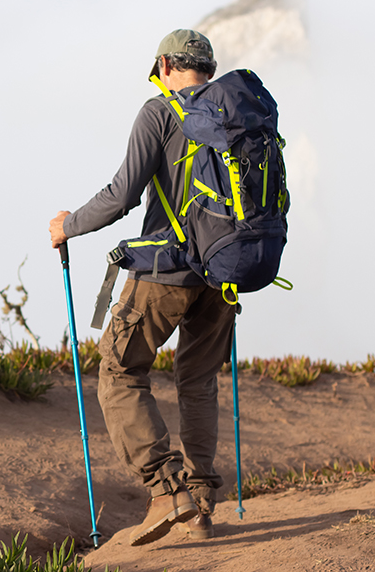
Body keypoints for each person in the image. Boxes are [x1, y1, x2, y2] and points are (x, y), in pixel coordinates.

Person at [49, 29, 237, 545]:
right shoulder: (236, 113)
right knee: (197, 381)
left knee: (119, 368)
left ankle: (165, 490)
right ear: (210, 69)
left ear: (165, 65)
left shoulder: (160, 112)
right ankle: (201, 507)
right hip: (225, 275)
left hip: (166, 273)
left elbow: (121, 195)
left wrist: (69, 225)